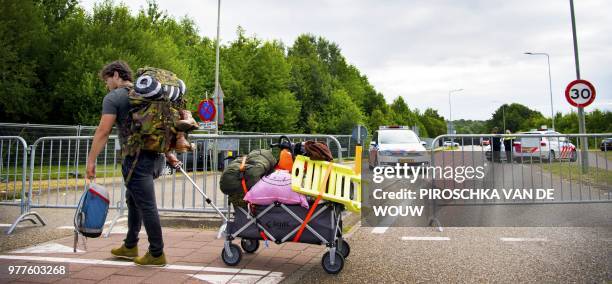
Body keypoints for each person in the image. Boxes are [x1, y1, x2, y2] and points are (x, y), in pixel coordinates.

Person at [86, 60, 167, 266]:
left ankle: (157, 254)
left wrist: (91, 161)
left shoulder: (114, 97)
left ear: (115, 75)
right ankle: (130, 245)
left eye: (107, 80)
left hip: (135, 159)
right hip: (156, 156)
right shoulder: (146, 93)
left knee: (147, 205)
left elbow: (103, 131)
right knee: (133, 200)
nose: (107, 85)